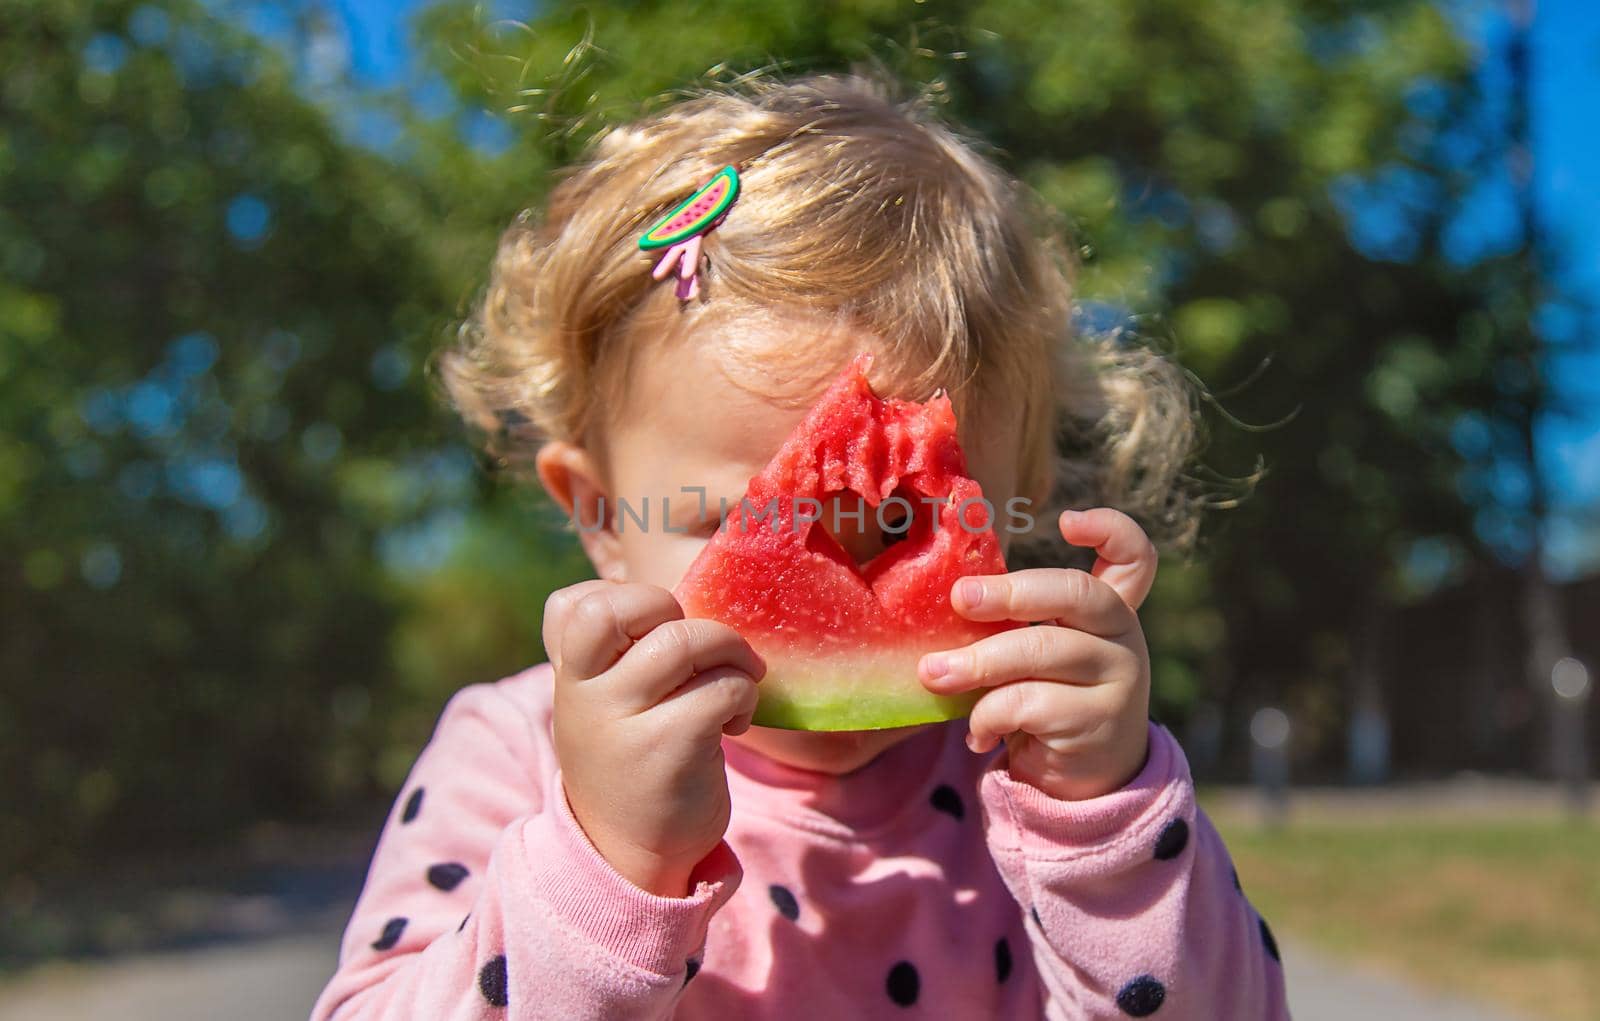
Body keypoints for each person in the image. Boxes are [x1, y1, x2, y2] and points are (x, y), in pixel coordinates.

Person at [311, 71, 1289, 1020]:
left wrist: (1106, 823)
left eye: (902, 525)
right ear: (600, 513)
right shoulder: (515, 749)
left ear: (1015, 510)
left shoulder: (1033, 776)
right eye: (742, 520)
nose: (837, 573)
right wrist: (603, 866)